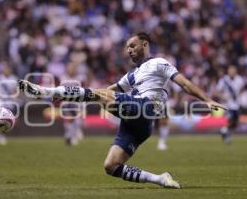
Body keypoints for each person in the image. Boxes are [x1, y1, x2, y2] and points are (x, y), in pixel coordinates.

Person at [19, 32, 226, 188]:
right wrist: (71, 96)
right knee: (111, 166)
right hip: (138, 123)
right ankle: (160, 178)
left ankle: (45, 91)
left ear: (145, 44)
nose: (128, 50)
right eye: (127, 47)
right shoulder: (132, 74)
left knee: (100, 96)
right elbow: (105, 91)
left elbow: (185, 83)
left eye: (132, 46)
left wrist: (206, 99)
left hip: (145, 107)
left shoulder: (159, 63)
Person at [216, 66, 244, 144]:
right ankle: (226, 135)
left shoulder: (240, 79)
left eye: (234, 71)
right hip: (228, 105)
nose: (232, 72)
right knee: (230, 120)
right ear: (228, 71)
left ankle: (224, 130)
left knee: (236, 123)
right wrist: (223, 96)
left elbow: (241, 90)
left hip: (237, 105)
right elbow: (217, 92)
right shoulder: (223, 80)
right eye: (231, 71)